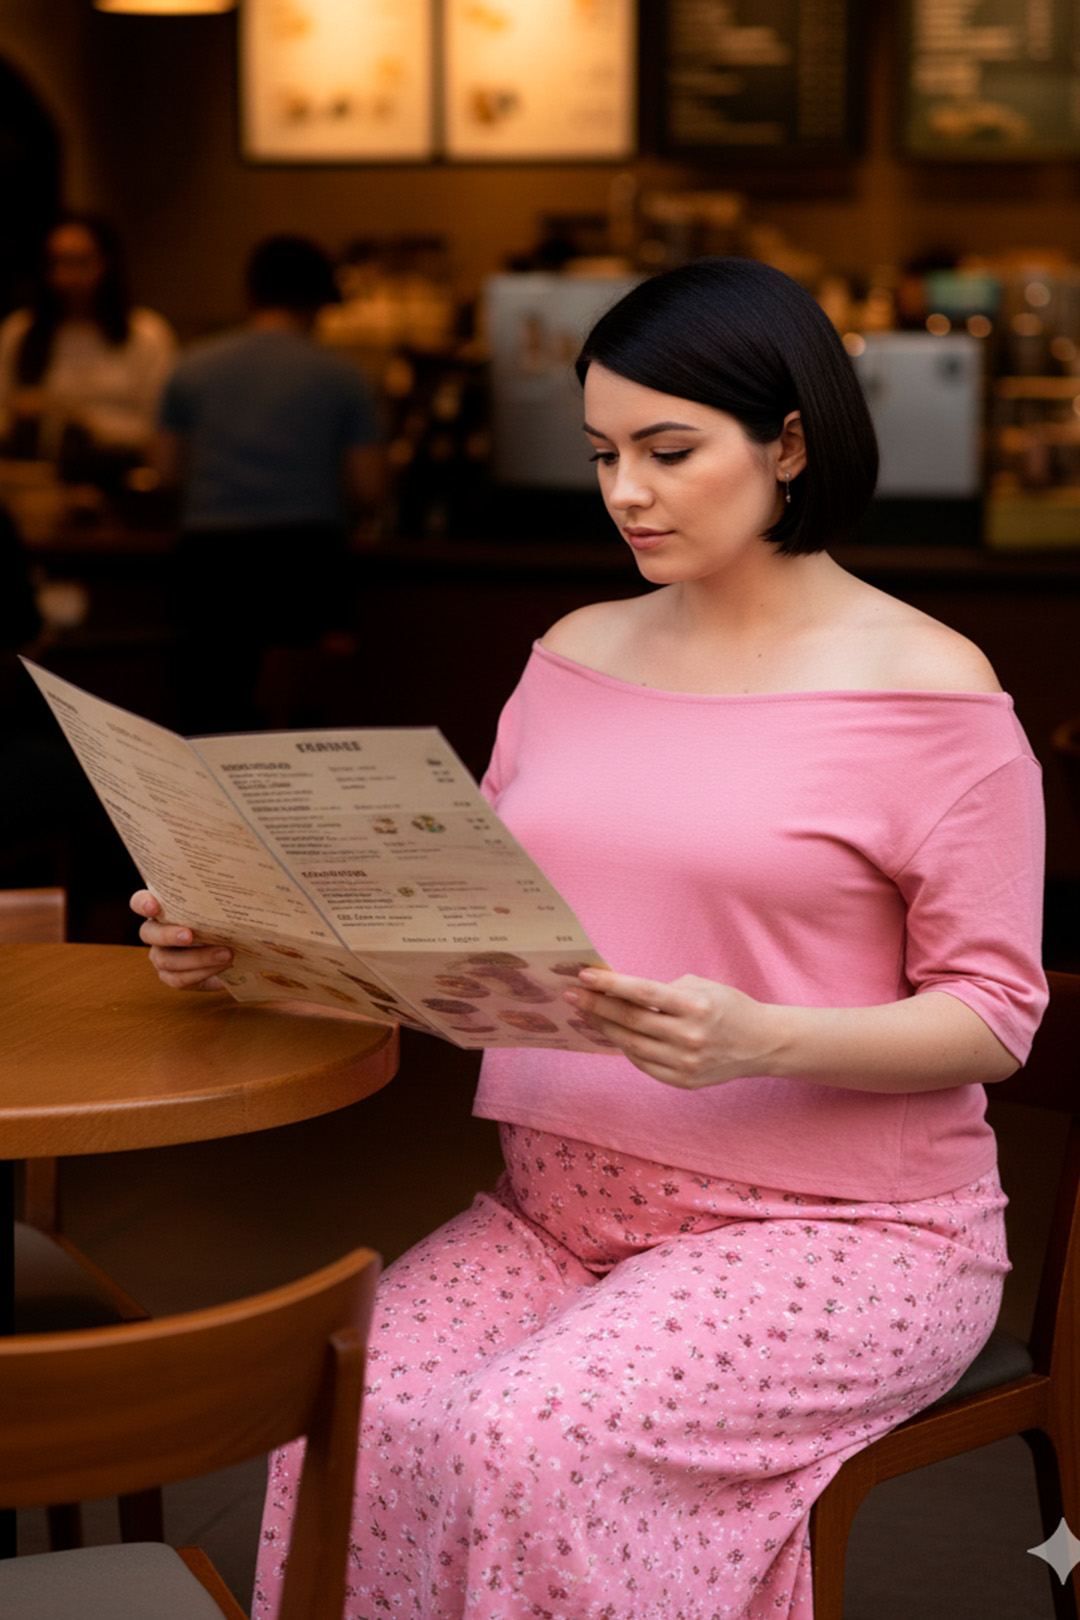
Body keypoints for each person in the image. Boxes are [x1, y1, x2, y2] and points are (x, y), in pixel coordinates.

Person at [132, 257, 1046, 1620]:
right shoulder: (573, 653)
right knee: (337, 1409)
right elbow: (463, 946)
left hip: (846, 1240)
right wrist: (250, 947)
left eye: (670, 451)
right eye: (606, 452)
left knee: (523, 1442)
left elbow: (995, 1014)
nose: (627, 492)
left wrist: (759, 1037)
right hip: (559, 1215)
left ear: (790, 442)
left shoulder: (931, 690)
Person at [153, 233, 384, 733]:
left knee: (210, 722)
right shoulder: (344, 377)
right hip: (304, 565)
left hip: (208, 564)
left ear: (249, 293)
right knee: (294, 727)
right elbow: (368, 487)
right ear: (320, 302)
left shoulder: (190, 367)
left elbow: (165, 473)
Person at [0, 213, 176, 466]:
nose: (65, 276)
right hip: (37, 470)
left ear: (106, 263)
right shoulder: (19, 330)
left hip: (119, 471)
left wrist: (84, 420)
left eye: (79, 263)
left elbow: (160, 427)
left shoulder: (145, 333)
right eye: (56, 263)